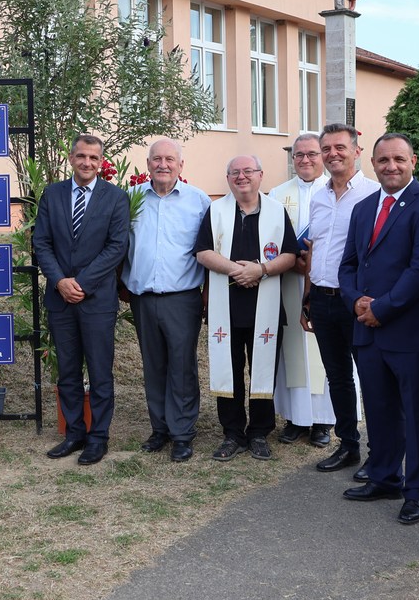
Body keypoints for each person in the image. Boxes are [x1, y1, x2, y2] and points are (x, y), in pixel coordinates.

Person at [339, 133, 419, 525]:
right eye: (383, 160)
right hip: (368, 332)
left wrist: (381, 309)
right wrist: (355, 300)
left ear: (413, 161)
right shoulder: (363, 207)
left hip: (410, 332)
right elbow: (349, 263)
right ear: (372, 162)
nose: (391, 166)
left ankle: (417, 491)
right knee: (380, 409)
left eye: (399, 159)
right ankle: (384, 477)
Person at [34, 134, 130, 465]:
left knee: (100, 372)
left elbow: (116, 247)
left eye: (93, 158)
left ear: (101, 162)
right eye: (81, 156)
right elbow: (41, 242)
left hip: (97, 300)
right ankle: (74, 433)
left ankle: (98, 438)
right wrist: (60, 281)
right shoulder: (52, 194)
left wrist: (83, 283)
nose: (87, 162)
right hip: (60, 299)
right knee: (68, 371)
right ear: (71, 158)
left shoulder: (115, 198)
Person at [196, 155, 298, 461]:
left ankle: (259, 433)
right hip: (226, 308)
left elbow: (290, 255)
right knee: (228, 370)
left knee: (264, 370)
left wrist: (261, 270)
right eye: (235, 172)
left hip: (265, 308)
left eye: (248, 171)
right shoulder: (216, 210)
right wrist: (237, 270)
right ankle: (233, 433)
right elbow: (202, 252)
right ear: (228, 178)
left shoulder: (276, 211)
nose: (242, 177)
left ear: (260, 175)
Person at [122, 138, 210, 462]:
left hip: (182, 299)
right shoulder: (130, 199)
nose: (163, 164)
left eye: (169, 159)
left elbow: (210, 250)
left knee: (182, 367)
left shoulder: (199, 201)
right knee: (153, 365)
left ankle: (182, 433)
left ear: (180, 165)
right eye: (156, 159)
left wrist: (208, 295)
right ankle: (160, 429)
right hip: (143, 298)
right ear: (147, 164)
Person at [304, 124, 377, 478]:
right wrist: (306, 297)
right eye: (326, 149)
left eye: (340, 147)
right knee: (337, 377)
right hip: (321, 298)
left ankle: (379, 453)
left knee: (372, 378)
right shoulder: (318, 197)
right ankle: (348, 445)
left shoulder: (373, 195)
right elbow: (313, 248)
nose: (333, 154)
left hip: (356, 302)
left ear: (356, 151)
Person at [268, 133, 333, 447]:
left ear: (322, 156)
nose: (305, 160)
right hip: (287, 282)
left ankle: (322, 420)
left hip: (324, 283)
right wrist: (290, 261)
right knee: (291, 349)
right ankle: (295, 418)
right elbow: (269, 239)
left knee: (323, 349)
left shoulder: (335, 191)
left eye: (311, 154)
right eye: (299, 155)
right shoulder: (277, 194)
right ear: (292, 158)